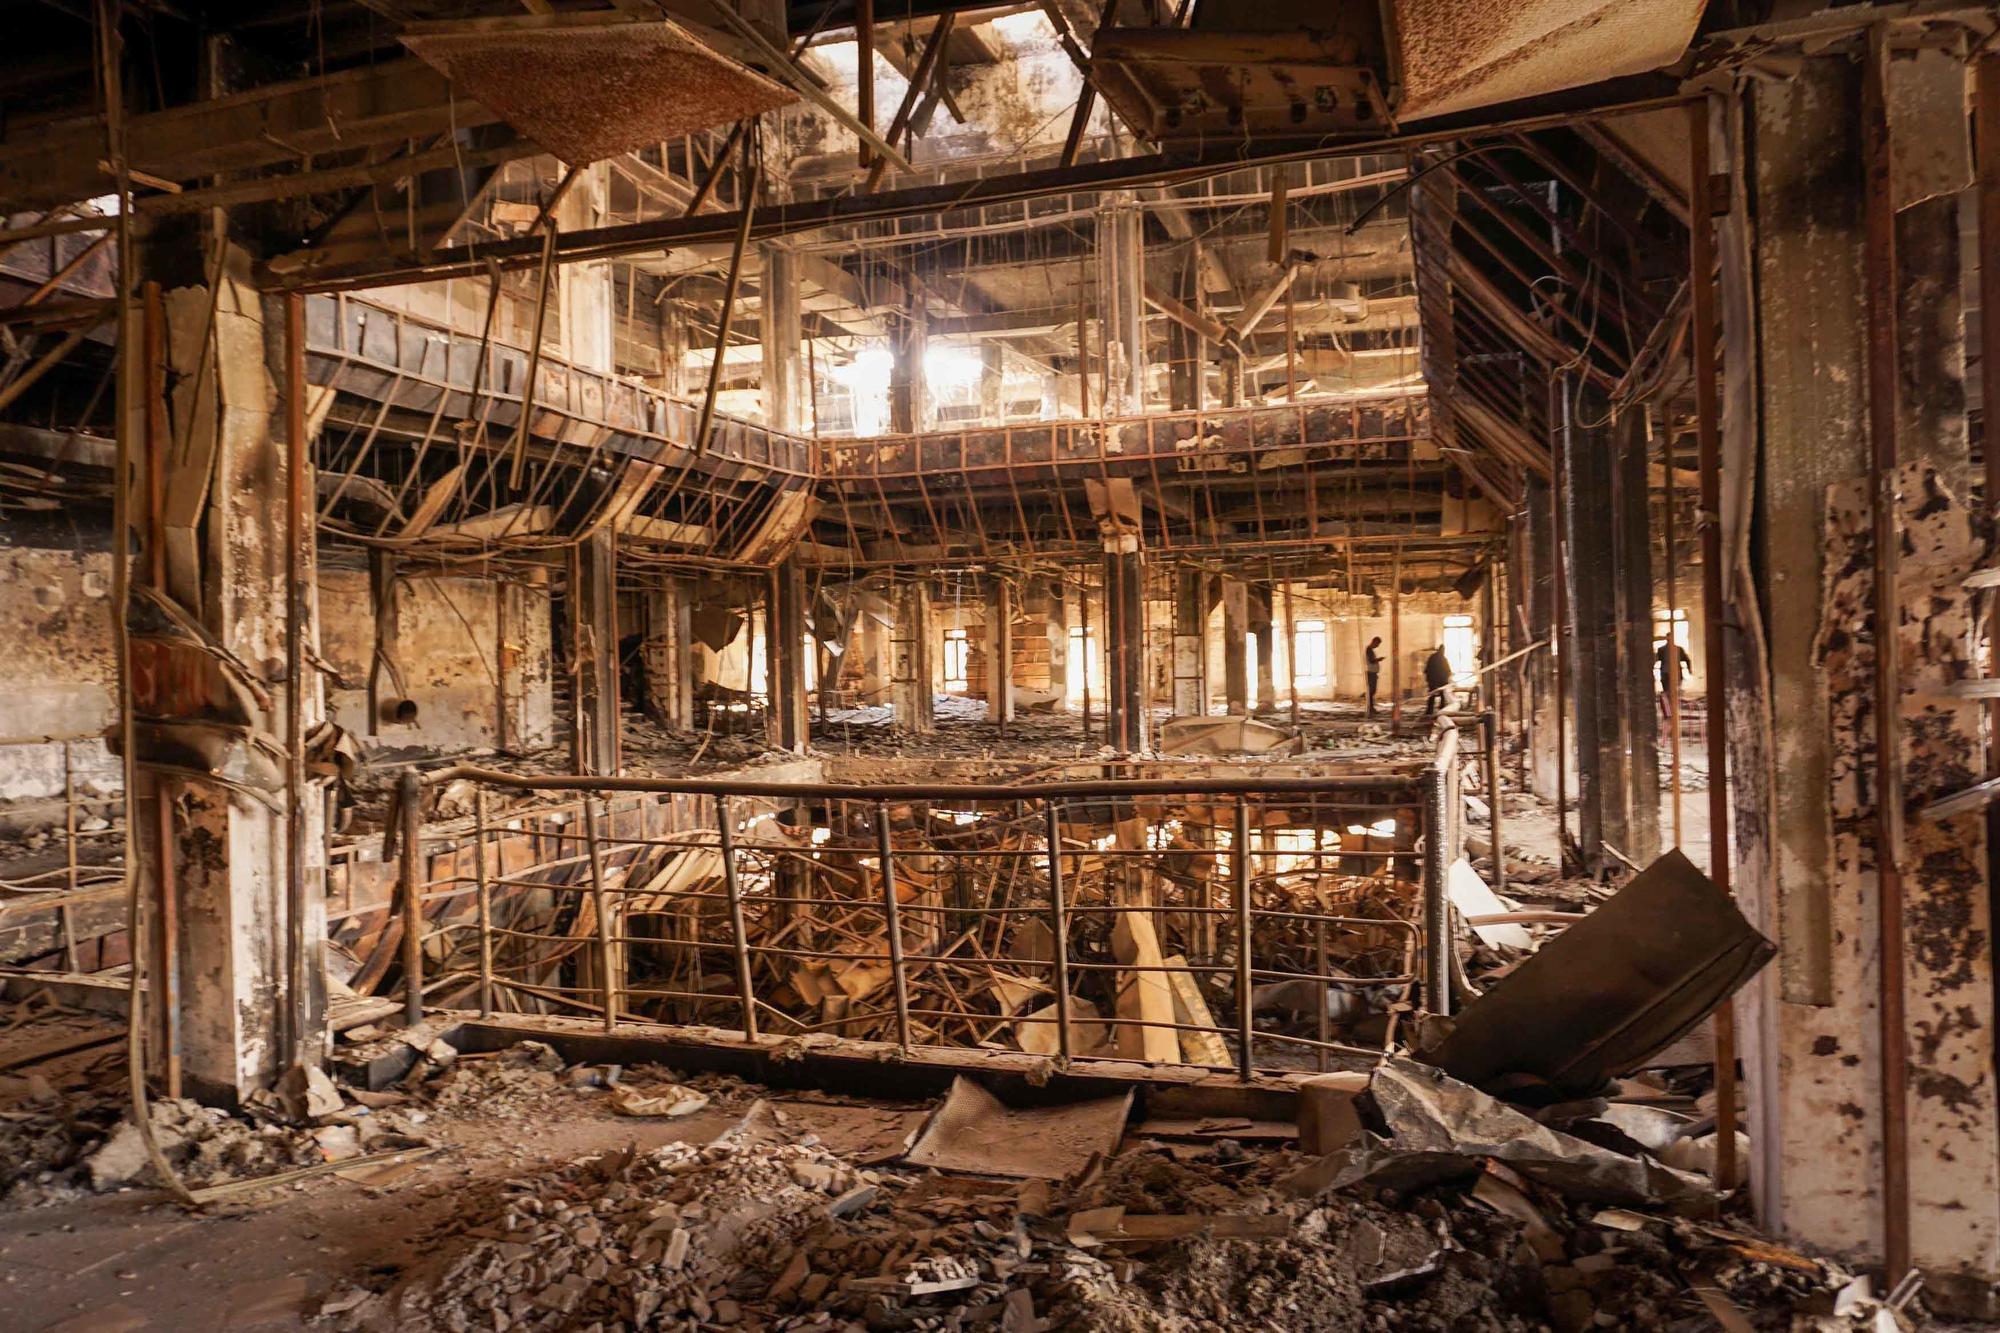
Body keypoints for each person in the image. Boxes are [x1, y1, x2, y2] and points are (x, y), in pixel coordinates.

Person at [1656, 638, 1692, 718]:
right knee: (1673, 691)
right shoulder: (1677, 649)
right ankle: (1672, 709)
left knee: (1669, 692)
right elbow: (1687, 660)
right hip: (1672, 674)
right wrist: (1689, 670)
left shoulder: (1662, 649)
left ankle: (1670, 710)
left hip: (1668, 674)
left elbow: (1655, 660)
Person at [1423, 643, 1452, 715]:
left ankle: (1430, 710)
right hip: (1439, 680)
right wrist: (1447, 679)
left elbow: (1426, 669)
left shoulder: (1432, 657)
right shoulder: (1443, 659)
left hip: (1433, 680)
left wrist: (1428, 679)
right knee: (1441, 694)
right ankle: (1441, 709)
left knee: (1432, 695)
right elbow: (1447, 671)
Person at [1364, 636, 1383, 716]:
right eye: (1377, 644)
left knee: (1372, 691)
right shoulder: (1369, 650)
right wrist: (1379, 659)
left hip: (1373, 673)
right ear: (1374, 642)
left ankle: (1371, 707)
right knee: (1371, 691)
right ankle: (1370, 708)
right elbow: (1372, 661)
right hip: (1371, 673)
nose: (1377, 646)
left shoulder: (1370, 650)